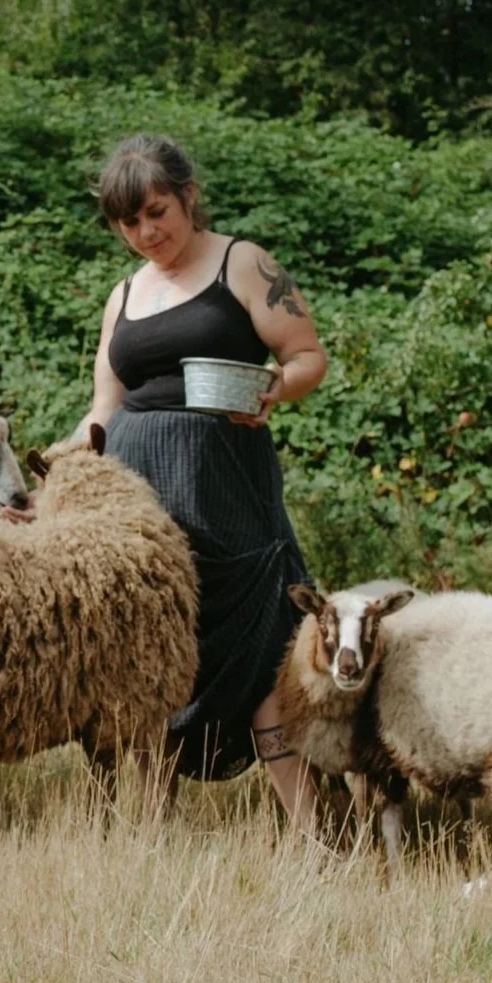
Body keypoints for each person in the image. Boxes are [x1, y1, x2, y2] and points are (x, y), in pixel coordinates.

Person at [64, 133, 328, 834]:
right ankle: (149, 832)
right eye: (128, 222)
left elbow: (306, 356)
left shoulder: (243, 262)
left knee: (265, 648)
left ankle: (318, 836)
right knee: (154, 660)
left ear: (186, 195)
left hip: (225, 487)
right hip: (140, 497)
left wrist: (276, 386)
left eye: (156, 211)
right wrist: (54, 468)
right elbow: (103, 409)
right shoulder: (123, 295)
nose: (146, 232)